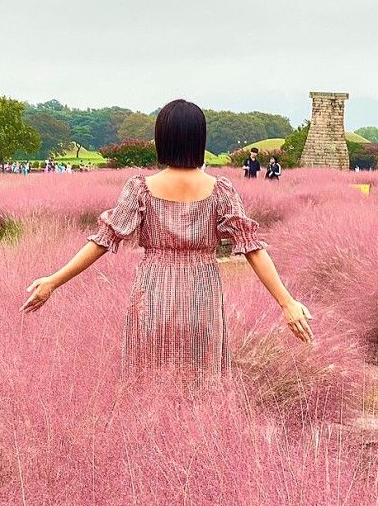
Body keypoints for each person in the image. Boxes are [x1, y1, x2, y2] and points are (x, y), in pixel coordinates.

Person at [21, 99, 312, 380]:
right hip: (202, 296)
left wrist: (53, 281)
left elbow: (102, 240)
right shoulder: (221, 190)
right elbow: (253, 249)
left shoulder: (140, 189)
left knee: (148, 383)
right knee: (201, 385)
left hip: (153, 295)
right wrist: (286, 302)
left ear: (162, 139)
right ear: (200, 139)